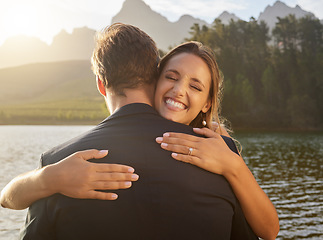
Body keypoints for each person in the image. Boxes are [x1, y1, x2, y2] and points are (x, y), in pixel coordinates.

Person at [1, 24, 278, 239]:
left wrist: (46, 177)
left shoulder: (60, 163)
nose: (179, 90)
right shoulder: (220, 154)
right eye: (172, 77)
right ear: (155, 76)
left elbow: (8, 200)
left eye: (195, 86)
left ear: (100, 84)